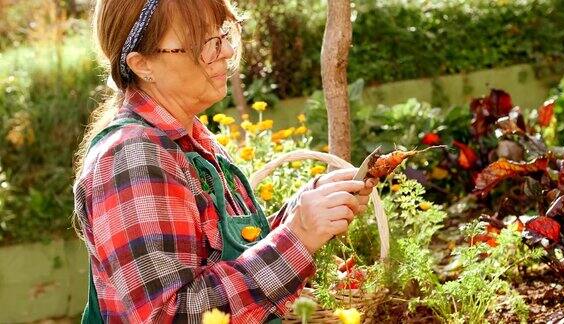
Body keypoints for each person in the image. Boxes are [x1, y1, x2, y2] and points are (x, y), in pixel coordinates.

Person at [73, 0, 376, 322]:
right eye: (204, 43)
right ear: (142, 63)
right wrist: (298, 236)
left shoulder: (192, 140)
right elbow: (170, 314)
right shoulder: (133, 157)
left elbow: (225, 258)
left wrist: (302, 211)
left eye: (222, 34)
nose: (227, 50)